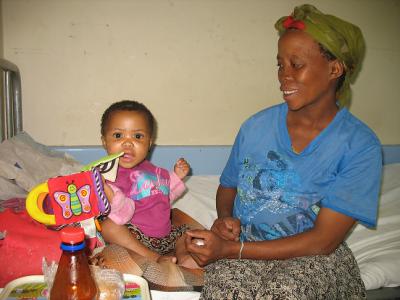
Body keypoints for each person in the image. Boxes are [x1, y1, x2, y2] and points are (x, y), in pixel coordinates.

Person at [185, 4, 382, 299]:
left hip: (315, 256)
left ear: (334, 69)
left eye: (296, 64)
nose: (283, 76)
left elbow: (324, 240)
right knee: (225, 288)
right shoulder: (256, 127)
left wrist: (233, 249)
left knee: (286, 292)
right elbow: (228, 186)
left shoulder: (359, 145)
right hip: (245, 246)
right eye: (280, 64)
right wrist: (226, 219)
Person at [99, 100, 197, 268]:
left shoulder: (154, 171)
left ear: (149, 143)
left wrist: (176, 177)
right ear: (104, 142)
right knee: (109, 227)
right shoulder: (107, 176)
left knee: (187, 232)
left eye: (137, 136)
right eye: (118, 135)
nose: (128, 143)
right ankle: (154, 258)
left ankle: (182, 258)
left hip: (165, 237)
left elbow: (162, 198)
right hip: (134, 236)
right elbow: (122, 213)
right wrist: (111, 195)